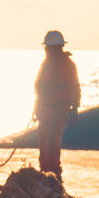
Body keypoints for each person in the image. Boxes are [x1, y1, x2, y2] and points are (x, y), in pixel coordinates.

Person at [34, 30, 80, 181]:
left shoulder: (68, 65)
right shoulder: (45, 64)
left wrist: (75, 108)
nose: (46, 50)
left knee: (52, 141)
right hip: (45, 108)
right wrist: (36, 108)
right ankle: (44, 171)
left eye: (48, 47)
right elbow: (39, 88)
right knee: (43, 140)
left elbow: (74, 87)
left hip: (59, 108)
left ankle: (54, 174)